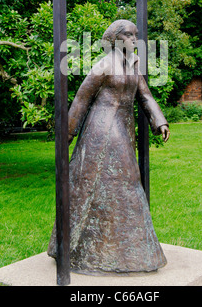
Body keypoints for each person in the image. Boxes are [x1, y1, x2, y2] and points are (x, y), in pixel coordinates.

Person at [48, 20, 170, 274]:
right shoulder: (103, 65)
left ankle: (108, 250)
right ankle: (132, 253)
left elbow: (145, 95)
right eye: (128, 35)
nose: (134, 40)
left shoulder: (134, 64)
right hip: (102, 128)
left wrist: (159, 122)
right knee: (128, 178)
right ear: (115, 39)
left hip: (123, 127)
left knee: (103, 185)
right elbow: (82, 98)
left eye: (136, 35)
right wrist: (67, 134)